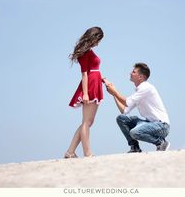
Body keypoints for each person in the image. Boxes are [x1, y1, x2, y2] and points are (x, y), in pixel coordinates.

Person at [106, 63, 170, 153]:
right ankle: (134, 147)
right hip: (150, 123)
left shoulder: (146, 87)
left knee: (135, 132)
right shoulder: (139, 91)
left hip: (161, 126)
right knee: (121, 119)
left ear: (140, 77)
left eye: (133, 72)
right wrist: (114, 95)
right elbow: (124, 110)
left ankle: (161, 143)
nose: (130, 73)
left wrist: (115, 91)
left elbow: (127, 101)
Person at [64, 26, 108, 158]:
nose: (99, 43)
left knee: (87, 122)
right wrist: (86, 94)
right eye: (98, 39)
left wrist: (102, 78)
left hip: (95, 83)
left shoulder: (88, 51)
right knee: (87, 122)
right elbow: (84, 75)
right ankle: (87, 152)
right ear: (94, 37)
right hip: (90, 86)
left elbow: (93, 70)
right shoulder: (85, 53)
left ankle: (70, 151)